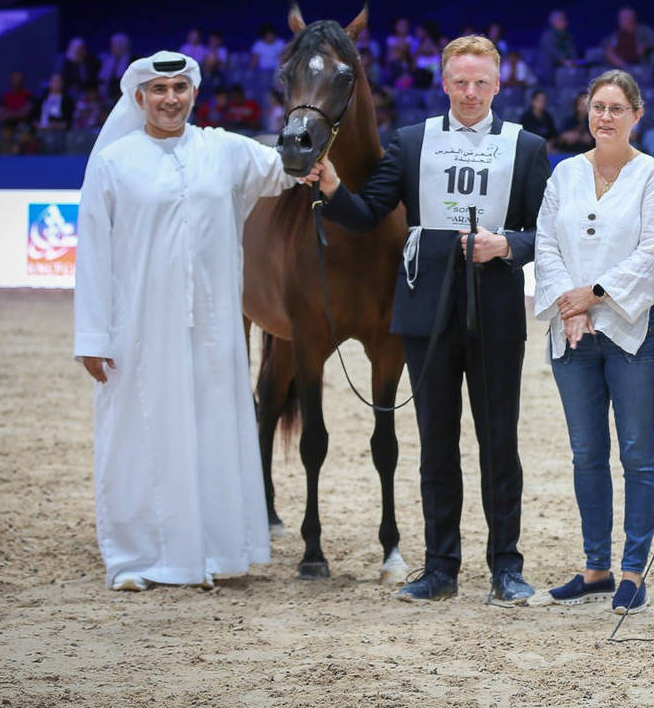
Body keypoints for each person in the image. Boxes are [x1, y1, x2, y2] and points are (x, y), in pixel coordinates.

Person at [309, 35, 551, 607]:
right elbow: (369, 213)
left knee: (499, 443)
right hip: (426, 310)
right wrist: (334, 189)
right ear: (444, 83)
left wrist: (507, 245)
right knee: (436, 444)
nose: (470, 93)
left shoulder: (527, 146)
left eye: (481, 82)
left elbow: (547, 231)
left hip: (494, 311)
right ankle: (440, 567)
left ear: (499, 84)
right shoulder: (412, 141)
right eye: (460, 82)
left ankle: (506, 567)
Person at [74, 51, 299, 591]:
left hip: (215, 333)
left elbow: (290, 167)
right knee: (141, 437)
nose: (170, 98)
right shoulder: (113, 163)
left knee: (213, 433)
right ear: (139, 98)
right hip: (138, 333)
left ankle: (218, 552)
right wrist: (92, 336)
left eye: (180, 88)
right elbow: (93, 254)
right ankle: (137, 559)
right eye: (159, 90)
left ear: (194, 93)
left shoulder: (223, 150)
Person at [532, 70, 654, 615]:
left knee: (637, 453)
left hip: (634, 332)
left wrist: (592, 295)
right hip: (572, 333)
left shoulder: (653, 176)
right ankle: (596, 567)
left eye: (617, 108)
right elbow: (546, 243)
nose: (606, 117)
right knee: (587, 453)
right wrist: (567, 307)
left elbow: (653, 252)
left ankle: (633, 572)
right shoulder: (565, 173)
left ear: (637, 115)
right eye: (598, 107)